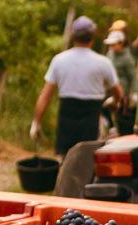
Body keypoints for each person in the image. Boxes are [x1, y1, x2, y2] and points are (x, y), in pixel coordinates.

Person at [31, 16, 123, 156]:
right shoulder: (103, 63)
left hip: (67, 119)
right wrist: (115, 102)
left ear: (73, 36)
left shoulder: (59, 60)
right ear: (92, 38)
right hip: (91, 120)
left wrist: (36, 122)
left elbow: (45, 95)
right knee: (89, 158)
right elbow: (118, 92)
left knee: (67, 159)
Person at [104, 27, 137, 135]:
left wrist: (134, 93)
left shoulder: (127, 58)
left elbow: (133, 77)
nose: (111, 47)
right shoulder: (110, 55)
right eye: (110, 45)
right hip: (109, 90)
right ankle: (111, 127)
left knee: (123, 117)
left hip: (123, 93)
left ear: (121, 43)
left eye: (114, 44)